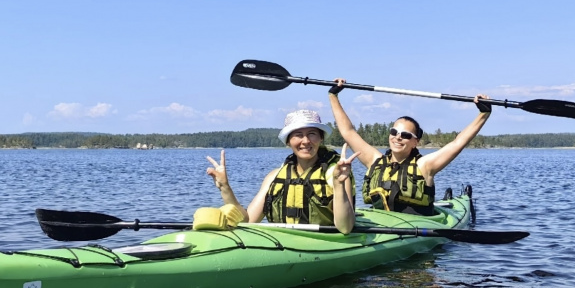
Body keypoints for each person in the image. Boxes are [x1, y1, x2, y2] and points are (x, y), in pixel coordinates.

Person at [327, 80, 492, 216]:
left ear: (416, 142)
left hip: (417, 226)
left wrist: (483, 114)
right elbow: (348, 132)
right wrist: (333, 95)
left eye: (405, 135)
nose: (398, 137)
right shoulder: (374, 161)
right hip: (380, 222)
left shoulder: (425, 166)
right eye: (394, 132)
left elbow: (457, 143)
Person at [206, 109, 358, 233]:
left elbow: (345, 228)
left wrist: (339, 184)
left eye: (312, 134)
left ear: (321, 138)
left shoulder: (335, 174)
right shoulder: (274, 177)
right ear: (288, 141)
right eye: (298, 135)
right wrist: (225, 187)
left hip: (324, 242)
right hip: (284, 244)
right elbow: (248, 221)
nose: (305, 141)